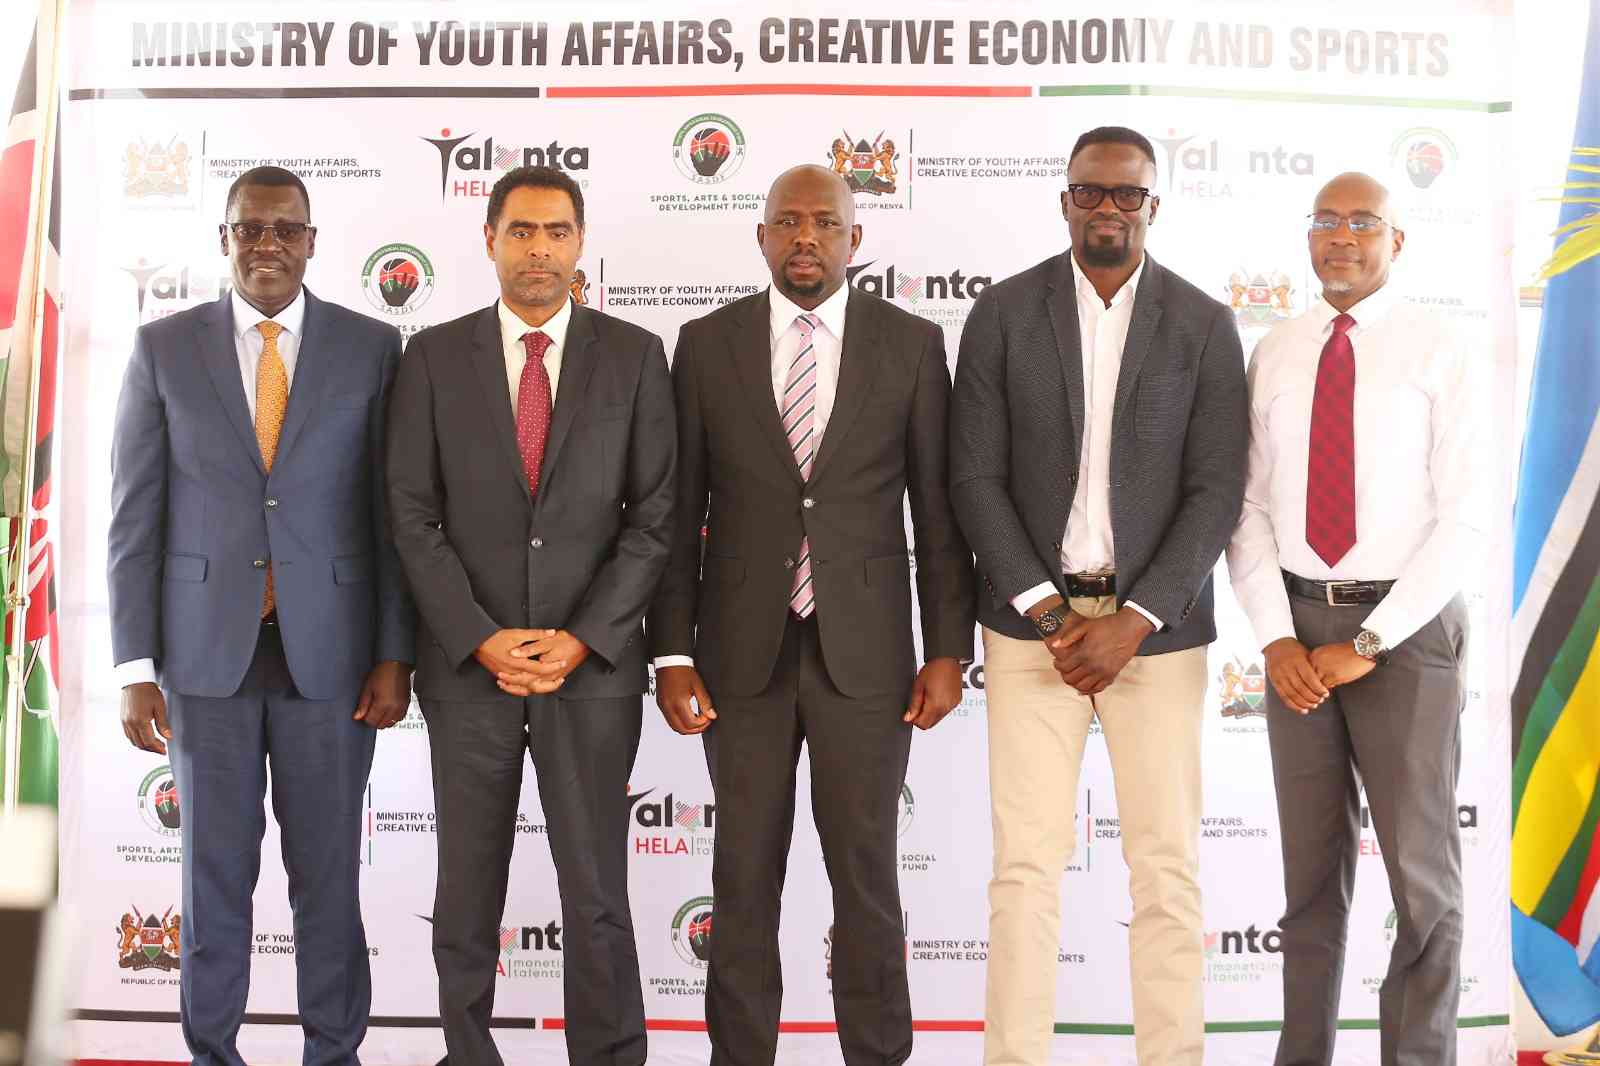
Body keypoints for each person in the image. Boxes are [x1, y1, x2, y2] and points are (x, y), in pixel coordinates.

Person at [648, 163, 976, 1066]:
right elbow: (677, 517)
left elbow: (937, 513)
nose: (805, 238)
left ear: (854, 240)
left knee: (867, 879)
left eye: (824, 223)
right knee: (742, 878)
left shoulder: (910, 345)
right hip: (736, 658)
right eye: (786, 222)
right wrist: (670, 650)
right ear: (759, 237)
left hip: (866, 660)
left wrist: (949, 646)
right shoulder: (704, 344)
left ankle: (877, 1053)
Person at [949, 125, 1248, 1066]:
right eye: (1092, 193)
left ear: (1154, 207)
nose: (1109, 209)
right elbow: (973, 480)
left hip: (1157, 638)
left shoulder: (1204, 323)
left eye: (1128, 196)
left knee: (1165, 872)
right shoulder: (1002, 314)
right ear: (1065, 200)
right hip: (1028, 633)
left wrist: (1137, 618)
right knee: (1025, 870)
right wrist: (1047, 614)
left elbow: (1215, 490)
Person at [108, 165, 414, 1065]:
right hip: (205, 663)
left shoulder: (371, 347)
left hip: (334, 660)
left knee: (327, 885)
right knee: (213, 885)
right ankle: (213, 1053)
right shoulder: (164, 349)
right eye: (250, 229)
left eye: (286, 229)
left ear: (314, 241)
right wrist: (134, 667)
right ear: (224, 240)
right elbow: (135, 517)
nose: (268, 245)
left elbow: (389, 516)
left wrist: (395, 652)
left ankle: (334, 1052)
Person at [385, 164, 675, 1066]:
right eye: (521, 231)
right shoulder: (432, 355)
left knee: (596, 893)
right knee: (467, 891)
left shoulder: (634, 356)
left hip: (591, 676)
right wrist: (479, 636)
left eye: (556, 232)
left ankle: (610, 1055)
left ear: (581, 243)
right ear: (489, 241)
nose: (539, 249)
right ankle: (467, 1054)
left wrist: (581, 639)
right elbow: (410, 513)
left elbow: (655, 515)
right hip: (469, 673)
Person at [1226, 172, 1486, 1066]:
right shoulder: (1275, 350)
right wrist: (1275, 636)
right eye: (1326, 220)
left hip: (1405, 635)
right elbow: (1248, 508)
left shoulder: (1441, 347)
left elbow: (1467, 519)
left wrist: (1371, 641)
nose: (1341, 235)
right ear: (1308, 238)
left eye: (1363, 221)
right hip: (1295, 629)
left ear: (1398, 241)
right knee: (1309, 878)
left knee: (1421, 883)